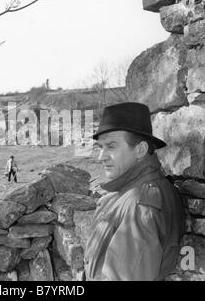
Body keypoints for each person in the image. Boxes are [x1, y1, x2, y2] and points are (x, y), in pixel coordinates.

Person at [84, 102, 185, 281]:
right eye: (101, 147)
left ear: (140, 150)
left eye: (111, 146)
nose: (101, 156)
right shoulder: (128, 192)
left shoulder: (139, 204)